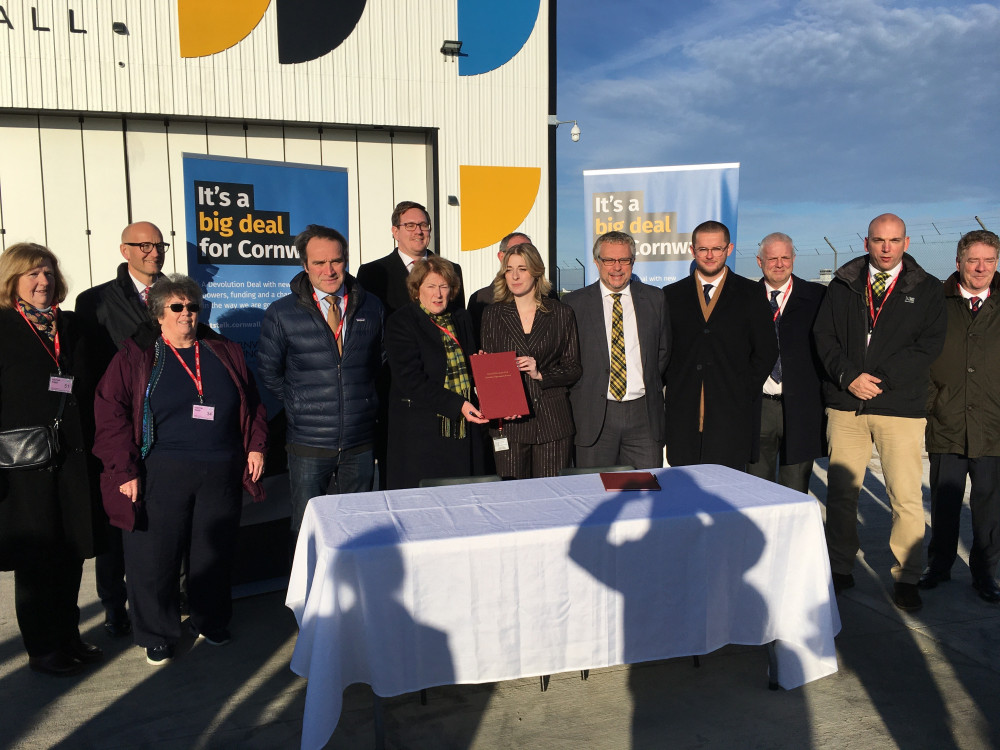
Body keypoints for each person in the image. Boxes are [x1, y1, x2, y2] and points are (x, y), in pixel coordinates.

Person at [94, 274, 267, 665]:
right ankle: (157, 631)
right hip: (160, 470)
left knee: (213, 552)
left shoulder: (222, 349)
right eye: (176, 307)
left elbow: (251, 402)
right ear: (158, 314)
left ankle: (210, 619)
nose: (186, 313)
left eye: (192, 306)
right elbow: (110, 415)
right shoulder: (138, 355)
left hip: (221, 468)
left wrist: (255, 446)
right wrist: (123, 470)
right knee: (155, 556)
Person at [813, 213, 946, 611]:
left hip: (899, 408)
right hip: (847, 404)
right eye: (878, 240)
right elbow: (824, 336)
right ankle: (840, 567)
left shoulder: (927, 289)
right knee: (841, 494)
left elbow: (928, 346)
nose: (886, 248)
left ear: (906, 242)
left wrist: (880, 379)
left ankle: (907, 575)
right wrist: (849, 377)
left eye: (893, 240)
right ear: (867, 242)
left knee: (905, 497)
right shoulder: (843, 284)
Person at [0, 242, 104, 676]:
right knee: (36, 559)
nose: (43, 282)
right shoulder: (3, 325)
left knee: (71, 553)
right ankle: (42, 648)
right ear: (13, 282)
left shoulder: (74, 325)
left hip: (73, 458)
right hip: (23, 465)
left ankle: (68, 637)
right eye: (32, 275)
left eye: (48, 273)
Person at [257, 224, 384, 535]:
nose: (329, 270)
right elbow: (268, 371)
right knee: (307, 530)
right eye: (319, 262)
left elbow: (381, 363)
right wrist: (301, 405)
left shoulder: (372, 306)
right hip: (309, 443)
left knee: (360, 529)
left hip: (359, 442)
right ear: (305, 266)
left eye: (336, 261)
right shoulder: (282, 312)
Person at [76, 220, 166, 639]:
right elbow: (90, 370)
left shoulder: (175, 293)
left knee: (161, 517)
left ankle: (164, 594)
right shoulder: (94, 301)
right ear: (123, 250)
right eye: (144, 245)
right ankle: (114, 604)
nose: (154, 251)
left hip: (166, 421)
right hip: (117, 422)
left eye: (158, 244)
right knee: (117, 520)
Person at [921, 229, 1000, 603]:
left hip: (993, 426)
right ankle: (939, 566)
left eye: (989, 260)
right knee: (944, 502)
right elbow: (918, 356)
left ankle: (986, 573)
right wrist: (931, 402)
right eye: (973, 260)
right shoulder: (935, 301)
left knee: (989, 505)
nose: (981, 268)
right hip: (946, 420)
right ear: (958, 263)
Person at [662, 220, 778, 470]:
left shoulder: (750, 293)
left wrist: (742, 388)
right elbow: (663, 349)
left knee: (726, 493)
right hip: (684, 416)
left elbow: (766, 349)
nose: (710, 255)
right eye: (703, 249)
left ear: (729, 249)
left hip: (731, 415)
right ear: (692, 250)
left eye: (717, 248)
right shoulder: (671, 295)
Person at [564, 231, 670, 470]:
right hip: (594, 416)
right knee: (594, 493)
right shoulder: (574, 304)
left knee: (646, 493)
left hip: (644, 415)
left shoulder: (655, 299)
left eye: (624, 260)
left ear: (633, 262)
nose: (617, 267)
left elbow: (662, 352)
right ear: (596, 262)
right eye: (609, 260)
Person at [384, 257, 488, 489]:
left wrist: (482, 369)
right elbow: (411, 380)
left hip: (463, 429)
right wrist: (458, 404)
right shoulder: (402, 322)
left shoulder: (461, 317)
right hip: (422, 434)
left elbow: (469, 363)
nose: (438, 294)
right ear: (416, 289)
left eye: (444, 286)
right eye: (430, 286)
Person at [480, 243, 581, 479]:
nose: (514, 276)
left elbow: (574, 368)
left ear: (536, 272)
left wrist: (541, 373)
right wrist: (485, 367)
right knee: (511, 500)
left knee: (551, 501)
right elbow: (491, 369)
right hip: (510, 423)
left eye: (522, 269)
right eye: (509, 269)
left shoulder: (560, 313)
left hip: (552, 423)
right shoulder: (492, 314)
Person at [746, 233, 827, 492]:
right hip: (759, 408)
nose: (779, 264)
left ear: (794, 259)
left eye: (785, 257)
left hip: (802, 408)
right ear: (760, 261)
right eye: (772, 258)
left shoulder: (818, 297)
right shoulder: (744, 299)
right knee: (757, 490)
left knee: (795, 490)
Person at [357, 200, 465, 316]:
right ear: (395, 232)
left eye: (423, 225)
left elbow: (459, 318)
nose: (418, 231)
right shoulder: (372, 273)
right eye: (410, 226)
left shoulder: (452, 270)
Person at [468, 231, 532, 339]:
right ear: (501, 256)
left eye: (528, 252)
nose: (522, 256)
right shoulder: (481, 299)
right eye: (514, 251)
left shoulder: (549, 298)